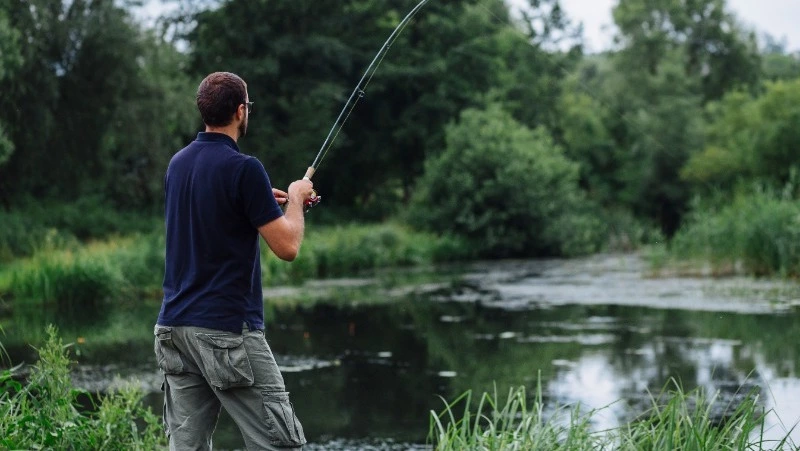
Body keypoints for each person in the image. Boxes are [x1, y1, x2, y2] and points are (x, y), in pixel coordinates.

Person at [153, 71, 314, 450]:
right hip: (225, 331)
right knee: (281, 444)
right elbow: (288, 247)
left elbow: (217, 213)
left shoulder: (178, 164)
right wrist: (295, 196)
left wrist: (262, 201)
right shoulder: (244, 168)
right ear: (241, 111)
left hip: (173, 329)